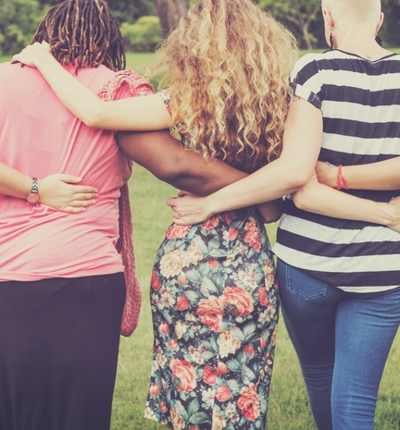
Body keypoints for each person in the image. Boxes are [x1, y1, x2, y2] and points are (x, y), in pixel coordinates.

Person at [12, 0, 298, 427]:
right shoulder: (278, 101)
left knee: (183, 397)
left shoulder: (184, 99)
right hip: (228, 261)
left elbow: (98, 114)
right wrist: (261, 195)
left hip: (177, 256)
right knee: (237, 395)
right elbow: (186, 166)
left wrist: (41, 59)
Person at [159, 0, 400, 429]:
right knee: (357, 398)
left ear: (329, 18)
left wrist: (211, 203)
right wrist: (385, 215)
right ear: (379, 20)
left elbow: (295, 178)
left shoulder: (315, 73)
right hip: (382, 269)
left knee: (320, 372)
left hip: (307, 267)